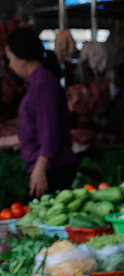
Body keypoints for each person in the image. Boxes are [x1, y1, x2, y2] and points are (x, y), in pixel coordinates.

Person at [6, 27, 75, 197]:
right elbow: (35, 131)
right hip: (47, 166)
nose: (10, 65)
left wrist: (40, 168)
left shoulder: (43, 83)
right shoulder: (37, 82)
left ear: (22, 58)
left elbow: (49, 131)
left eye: (10, 59)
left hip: (52, 169)